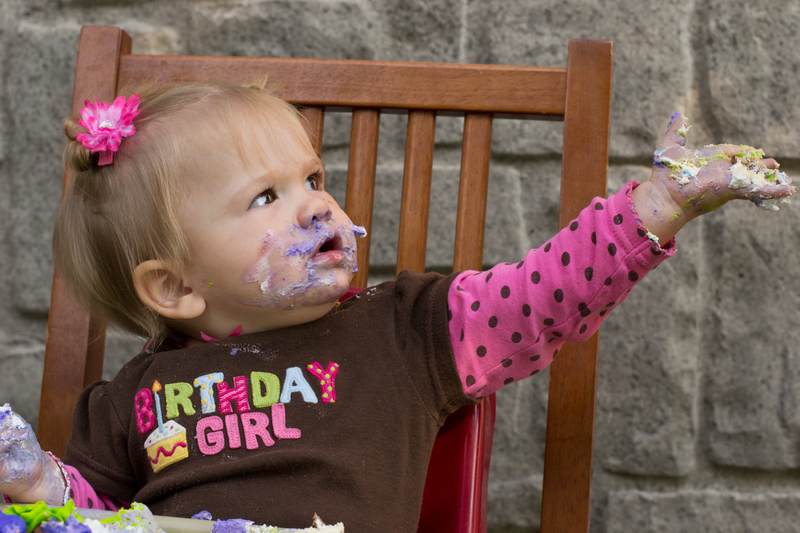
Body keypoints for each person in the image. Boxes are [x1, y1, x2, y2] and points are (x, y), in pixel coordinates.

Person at [0, 81, 793, 532]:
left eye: (313, 179)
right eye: (267, 196)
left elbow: (542, 294)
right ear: (175, 288)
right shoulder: (128, 398)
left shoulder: (405, 327)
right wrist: (39, 483)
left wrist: (656, 205)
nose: (317, 204)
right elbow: (93, 515)